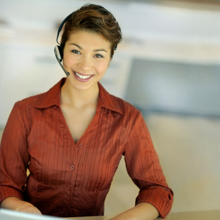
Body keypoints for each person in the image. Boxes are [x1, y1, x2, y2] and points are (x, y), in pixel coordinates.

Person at [0, 4, 173, 220]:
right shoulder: (25, 111)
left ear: (110, 58)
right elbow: (5, 184)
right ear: (61, 51)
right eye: (75, 51)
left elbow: (157, 190)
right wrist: (18, 207)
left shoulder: (128, 118)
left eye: (98, 55)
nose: (85, 65)